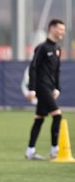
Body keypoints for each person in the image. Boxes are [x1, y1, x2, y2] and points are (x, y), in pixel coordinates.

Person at [25, 19, 66, 160]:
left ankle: (30, 151)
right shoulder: (42, 48)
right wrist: (32, 89)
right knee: (57, 115)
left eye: (63, 30)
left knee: (39, 119)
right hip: (41, 88)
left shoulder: (58, 49)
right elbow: (33, 67)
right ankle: (55, 150)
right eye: (60, 29)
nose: (63, 32)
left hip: (50, 88)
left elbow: (57, 70)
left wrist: (57, 88)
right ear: (52, 29)